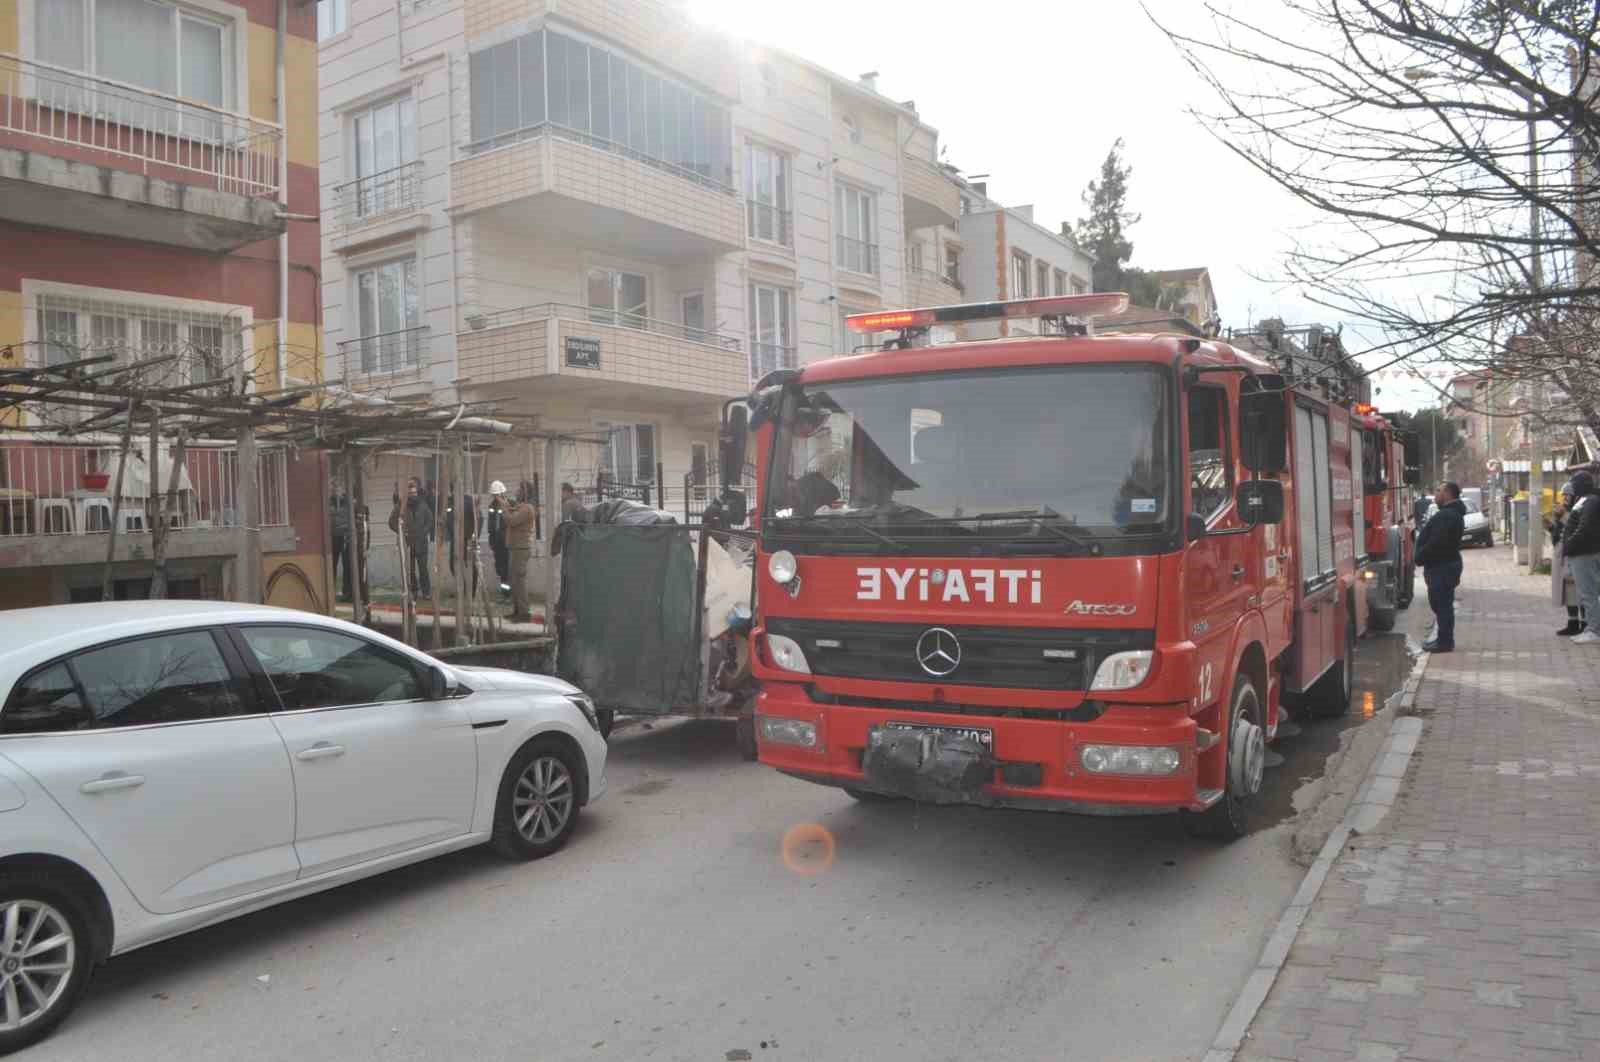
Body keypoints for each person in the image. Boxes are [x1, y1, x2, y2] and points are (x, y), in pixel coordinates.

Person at [1415, 480, 1466, 653]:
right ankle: (1444, 639)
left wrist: (1420, 557)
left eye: (1438, 491)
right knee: (1441, 604)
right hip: (1444, 565)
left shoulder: (1447, 516)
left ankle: (1444, 642)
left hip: (1442, 567)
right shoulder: (1449, 514)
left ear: (1448, 494)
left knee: (1442, 605)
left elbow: (1436, 542)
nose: (1435, 494)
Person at [1562, 470, 1600, 646]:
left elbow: (1584, 528)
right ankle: (1592, 628)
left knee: (1588, 593)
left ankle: (1594, 630)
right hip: (1581, 553)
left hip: (1583, 553)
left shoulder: (1590, 501)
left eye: (1574, 483)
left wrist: (1569, 543)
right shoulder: (1585, 500)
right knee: (1589, 593)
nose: (1572, 486)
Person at [388, 476, 434, 598]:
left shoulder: (423, 506)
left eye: (414, 492)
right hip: (407, 543)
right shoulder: (401, 507)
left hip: (421, 543)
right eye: (410, 493)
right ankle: (413, 591)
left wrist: (424, 532)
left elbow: (430, 520)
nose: (413, 495)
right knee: (410, 570)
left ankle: (426, 592)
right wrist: (401, 531)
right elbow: (391, 522)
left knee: (423, 569)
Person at [1549, 481, 1584, 636]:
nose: (1565, 499)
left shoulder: (1581, 510)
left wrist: (1562, 518)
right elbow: (1559, 535)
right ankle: (1572, 622)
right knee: (1568, 591)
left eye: (1567, 495)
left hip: (1576, 555)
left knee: (1580, 591)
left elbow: (1577, 530)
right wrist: (1551, 527)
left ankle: (1585, 623)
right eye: (1564, 495)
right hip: (1562, 555)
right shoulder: (1564, 511)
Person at [504, 482, 537, 623]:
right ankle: (517, 610)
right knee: (514, 581)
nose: (517, 492)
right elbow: (514, 510)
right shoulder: (522, 507)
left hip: (521, 548)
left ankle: (524, 613)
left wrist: (504, 508)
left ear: (526, 493)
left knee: (519, 582)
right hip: (516, 547)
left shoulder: (527, 508)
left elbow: (512, 520)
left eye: (520, 490)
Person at [486, 480, 510, 594]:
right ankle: (504, 591)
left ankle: (507, 594)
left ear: (502, 493)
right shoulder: (492, 506)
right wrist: (491, 540)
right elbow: (490, 524)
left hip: (506, 541)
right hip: (497, 542)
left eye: (497, 495)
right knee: (500, 568)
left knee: (507, 568)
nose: (495, 497)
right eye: (494, 495)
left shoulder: (509, 504)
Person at [329, 490, 352, 602]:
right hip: (334, 536)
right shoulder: (330, 503)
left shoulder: (347, 502)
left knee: (346, 564)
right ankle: (332, 591)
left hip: (344, 536)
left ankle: (346, 591)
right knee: (333, 564)